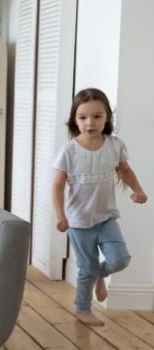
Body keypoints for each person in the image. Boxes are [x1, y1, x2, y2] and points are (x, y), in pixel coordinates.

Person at [52, 88, 147, 326]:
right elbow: (57, 186)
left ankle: (99, 275)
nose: (90, 123)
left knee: (120, 260)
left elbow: (124, 170)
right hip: (78, 222)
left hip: (106, 219)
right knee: (87, 267)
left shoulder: (115, 145)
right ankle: (82, 309)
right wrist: (61, 215)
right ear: (75, 119)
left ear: (107, 118)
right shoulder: (69, 151)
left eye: (97, 116)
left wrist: (137, 189)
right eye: (83, 117)